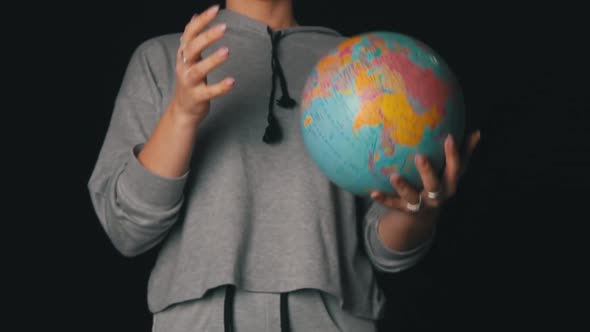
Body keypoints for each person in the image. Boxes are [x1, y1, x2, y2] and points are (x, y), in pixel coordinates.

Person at [88, 0, 480, 331]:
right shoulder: (163, 60)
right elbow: (126, 229)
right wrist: (182, 114)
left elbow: (385, 248)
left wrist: (421, 213)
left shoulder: (366, 64)